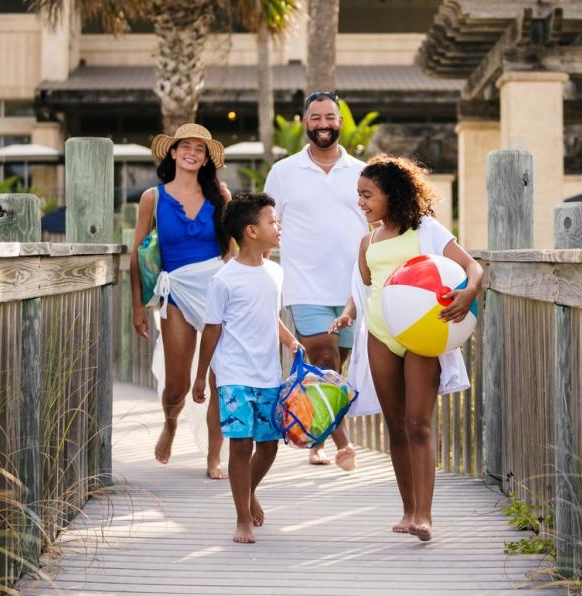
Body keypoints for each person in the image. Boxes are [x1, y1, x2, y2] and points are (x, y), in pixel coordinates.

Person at [329, 155, 483, 542]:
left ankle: (425, 516)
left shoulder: (425, 229)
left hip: (422, 336)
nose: (361, 202)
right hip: (381, 336)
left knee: (419, 424)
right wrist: (348, 314)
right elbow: (364, 288)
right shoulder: (368, 241)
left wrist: (469, 293)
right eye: (359, 194)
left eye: (368, 195)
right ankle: (408, 509)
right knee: (396, 427)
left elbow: (473, 267)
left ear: (392, 194)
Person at [263, 91, 367, 470]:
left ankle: (316, 436)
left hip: (354, 289)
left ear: (340, 121)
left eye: (330, 117)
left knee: (335, 368)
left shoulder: (362, 172)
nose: (323, 124)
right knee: (322, 359)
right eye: (316, 117)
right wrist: (255, 269)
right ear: (305, 122)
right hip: (305, 285)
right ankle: (343, 445)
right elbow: (266, 224)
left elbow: (378, 223)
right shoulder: (283, 172)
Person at [191, 192, 303, 544]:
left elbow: (269, 316)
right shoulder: (224, 279)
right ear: (252, 231)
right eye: (272, 221)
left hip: (269, 375)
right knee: (240, 445)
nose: (279, 226)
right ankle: (242, 517)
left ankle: (248, 490)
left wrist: (290, 340)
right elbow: (212, 329)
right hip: (234, 375)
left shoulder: (275, 273)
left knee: (268, 447)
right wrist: (201, 377)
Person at [129, 123, 232, 478]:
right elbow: (137, 254)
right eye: (185, 146)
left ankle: (214, 457)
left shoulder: (220, 195)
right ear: (173, 152)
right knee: (177, 383)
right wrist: (138, 307)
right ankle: (170, 423)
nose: (192, 152)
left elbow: (232, 250)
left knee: (220, 378)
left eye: (199, 149)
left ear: (206, 159)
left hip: (217, 289)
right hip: (176, 291)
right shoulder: (152, 198)